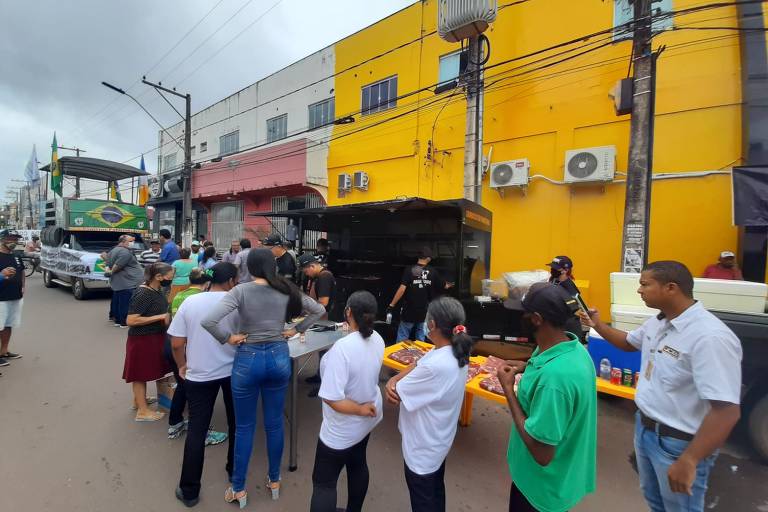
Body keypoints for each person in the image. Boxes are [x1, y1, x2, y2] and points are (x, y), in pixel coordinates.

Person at [583, 261, 742, 512]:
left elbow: (727, 411)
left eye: (645, 284)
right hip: (645, 429)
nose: (639, 290)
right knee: (656, 502)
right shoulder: (659, 322)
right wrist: (598, 325)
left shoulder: (710, 338)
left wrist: (690, 460)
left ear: (671, 288)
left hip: (678, 444)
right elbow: (628, 342)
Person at [202, 248, 325, 508]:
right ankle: (275, 480)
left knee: (245, 427)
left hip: (248, 358)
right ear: (272, 265)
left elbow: (209, 321)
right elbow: (317, 309)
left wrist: (229, 338)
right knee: (274, 423)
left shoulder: (240, 291)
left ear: (250, 266)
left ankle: (239, 488)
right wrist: (295, 330)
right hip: (280, 357)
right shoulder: (285, 288)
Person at [498, 282, 597, 512]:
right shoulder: (573, 348)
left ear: (536, 319)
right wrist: (527, 366)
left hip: (539, 492)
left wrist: (508, 390)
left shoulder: (554, 380)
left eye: (524, 313)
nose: (519, 317)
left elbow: (542, 453)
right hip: (561, 479)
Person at [385, 296, 474, 512]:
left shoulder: (436, 366)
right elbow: (418, 363)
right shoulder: (452, 350)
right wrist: (394, 378)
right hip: (438, 442)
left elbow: (396, 394)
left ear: (432, 325)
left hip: (422, 450)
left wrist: (393, 382)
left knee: (423, 501)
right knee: (435, 493)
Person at [169, 263, 239, 507]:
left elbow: (177, 343)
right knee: (236, 424)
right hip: (233, 373)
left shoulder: (190, 302)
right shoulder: (236, 303)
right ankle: (234, 472)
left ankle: (189, 491)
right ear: (231, 281)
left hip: (199, 374)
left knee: (197, 430)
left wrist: (182, 365)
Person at [309, 291, 384, 512]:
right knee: (358, 464)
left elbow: (332, 398)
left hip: (342, 429)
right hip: (366, 423)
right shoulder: (377, 338)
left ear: (348, 312)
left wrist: (360, 410)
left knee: (323, 483)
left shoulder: (343, 348)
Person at [124, 262, 174, 422]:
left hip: (153, 336)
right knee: (139, 373)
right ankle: (143, 411)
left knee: (145, 370)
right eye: (169, 277)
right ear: (158, 277)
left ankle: (138, 400)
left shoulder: (157, 289)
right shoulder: (143, 293)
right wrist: (159, 317)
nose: (171, 279)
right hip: (141, 338)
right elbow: (131, 320)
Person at [388, 247, 446, 343]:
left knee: (402, 338)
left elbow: (402, 289)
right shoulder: (433, 272)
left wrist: (392, 305)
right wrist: (449, 284)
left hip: (408, 311)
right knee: (421, 341)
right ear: (428, 258)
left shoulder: (409, 270)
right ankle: (420, 358)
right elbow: (442, 285)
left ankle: (398, 356)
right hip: (424, 312)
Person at [300, 253, 337, 395]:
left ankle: (325, 385)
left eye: (306, 270)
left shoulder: (324, 277)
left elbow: (323, 303)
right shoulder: (319, 277)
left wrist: (308, 312)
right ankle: (319, 375)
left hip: (327, 319)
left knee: (327, 353)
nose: (306, 274)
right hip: (323, 318)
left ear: (312, 265)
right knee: (323, 352)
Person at [105, 234, 145, 328]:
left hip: (119, 282)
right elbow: (118, 265)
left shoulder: (113, 251)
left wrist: (108, 271)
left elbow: (107, 262)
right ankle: (124, 322)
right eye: (130, 241)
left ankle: (118, 321)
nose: (132, 243)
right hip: (128, 282)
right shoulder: (125, 252)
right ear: (123, 242)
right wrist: (111, 272)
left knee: (119, 302)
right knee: (125, 303)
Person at [0, 229, 25, 368]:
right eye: (11, 238)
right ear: (3, 239)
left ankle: (4, 351)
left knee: (8, 325)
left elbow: (21, 272)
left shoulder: (16, 256)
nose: (13, 242)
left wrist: (23, 286)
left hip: (15, 296)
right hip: (1, 298)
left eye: (15, 239)